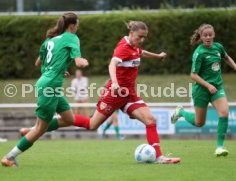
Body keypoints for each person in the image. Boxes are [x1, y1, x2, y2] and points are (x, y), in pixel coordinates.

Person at [16, 20, 181, 165]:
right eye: (140, 37)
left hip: (129, 95)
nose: (142, 40)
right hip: (114, 94)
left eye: (145, 37)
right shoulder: (123, 48)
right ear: (131, 34)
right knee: (92, 125)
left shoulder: (134, 46)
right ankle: (39, 128)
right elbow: (112, 64)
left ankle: (159, 157)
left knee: (151, 120)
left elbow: (141, 52)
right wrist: (115, 83)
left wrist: (157, 56)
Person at [1, 12, 89, 167]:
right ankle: (10, 157)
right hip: (51, 86)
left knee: (69, 119)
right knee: (41, 129)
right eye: (77, 26)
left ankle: (29, 129)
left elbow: (38, 62)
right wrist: (84, 61)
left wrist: (59, 68)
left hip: (47, 83)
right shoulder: (72, 38)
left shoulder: (49, 40)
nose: (77, 28)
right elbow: (79, 63)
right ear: (73, 25)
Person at [171, 24, 236, 157]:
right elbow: (193, 75)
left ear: (214, 35)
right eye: (205, 35)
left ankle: (219, 147)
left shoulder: (218, 47)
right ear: (200, 37)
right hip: (201, 90)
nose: (207, 37)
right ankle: (181, 111)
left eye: (210, 35)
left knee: (224, 113)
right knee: (199, 123)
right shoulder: (199, 53)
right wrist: (208, 85)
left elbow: (226, 57)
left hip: (217, 88)